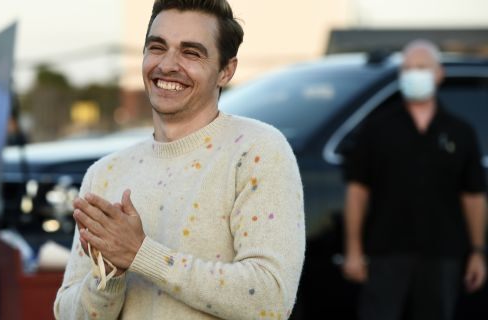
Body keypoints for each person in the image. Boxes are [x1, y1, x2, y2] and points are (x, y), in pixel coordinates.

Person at [53, 0, 306, 319]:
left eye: (191, 53)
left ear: (226, 71)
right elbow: (68, 313)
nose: (168, 65)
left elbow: (270, 298)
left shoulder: (257, 151)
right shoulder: (104, 174)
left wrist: (140, 254)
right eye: (157, 47)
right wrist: (110, 277)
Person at [342, 39, 487, 320]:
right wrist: (353, 249)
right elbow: (357, 190)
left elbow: (474, 195)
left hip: (443, 254)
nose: (413, 74)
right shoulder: (377, 128)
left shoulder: (460, 132)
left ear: (438, 74)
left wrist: (478, 251)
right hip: (386, 252)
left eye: (421, 67)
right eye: (407, 68)